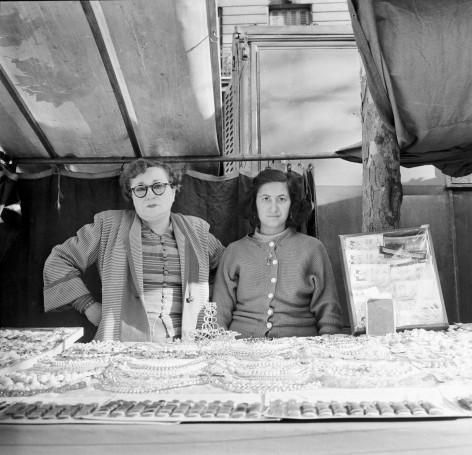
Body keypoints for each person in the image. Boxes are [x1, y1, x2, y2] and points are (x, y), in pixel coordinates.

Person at [43, 158, 225, 342]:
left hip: (188, 346)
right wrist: (87, 304)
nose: (150, 195)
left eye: (158, 186)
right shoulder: (108, 226)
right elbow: (60, 260)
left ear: (173, 190)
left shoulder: (198, 231)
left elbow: (230, 270)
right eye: (140, 189)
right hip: (121, 346)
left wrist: (204, 299)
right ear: (132, 195)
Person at [213, 168, 343, 338]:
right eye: (265, 199)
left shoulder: (312, 249)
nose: (273, 207)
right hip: (241, 351)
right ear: (254, 204)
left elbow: (329, 313)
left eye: (281, 199)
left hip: (300, 351)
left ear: (292, 204)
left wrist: (328, 351)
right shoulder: (234, 252)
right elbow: (219, 314)